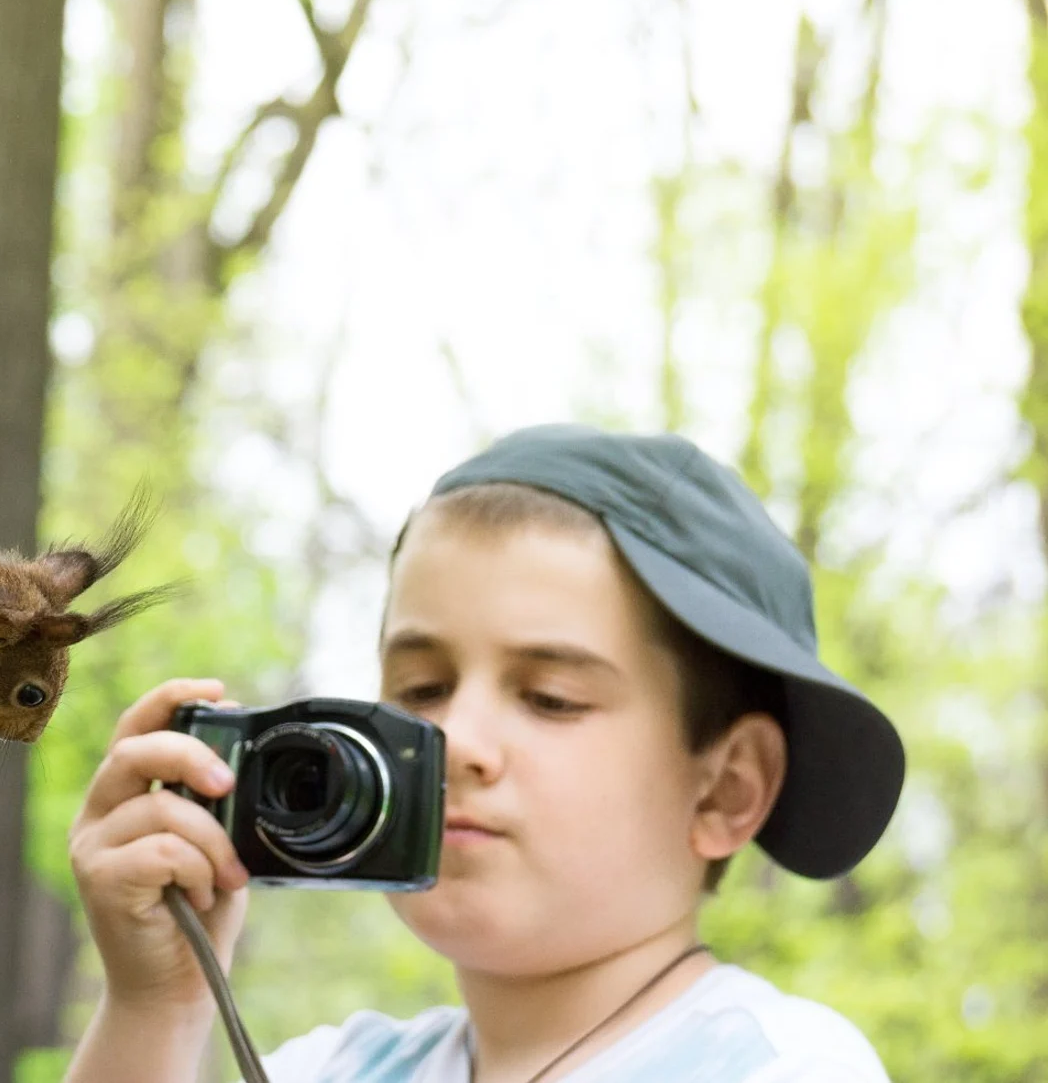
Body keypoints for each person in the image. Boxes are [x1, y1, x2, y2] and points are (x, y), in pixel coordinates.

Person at [65, 425, 904, 1082]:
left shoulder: (781, 1068)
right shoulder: (329, 1070)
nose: (454, 739)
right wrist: (157, 1008)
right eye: (423, 689)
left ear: (725, 792)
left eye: (550, 698)